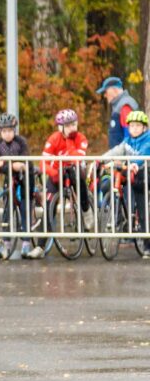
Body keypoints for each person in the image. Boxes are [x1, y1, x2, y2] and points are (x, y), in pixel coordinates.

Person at [100, 110, 150, 257]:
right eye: (131, 126)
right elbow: (116, 151)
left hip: (144, 174)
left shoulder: (147, 140)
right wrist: (100, 159)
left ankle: (148, 245)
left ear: (144, 127)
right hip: (129, 170)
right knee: (106, 184)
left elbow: (144, 154)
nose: (134, 128)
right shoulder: (128, 141)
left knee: (142, 208)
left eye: (137, 126)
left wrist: (134, 164)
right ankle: (119, 216)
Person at [0, 113, 41, 259]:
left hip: (26, 176)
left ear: (14, 130)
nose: (7, 134)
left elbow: (23, 161)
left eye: (10, 131)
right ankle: (6, 242)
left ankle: (26, 243)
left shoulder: (21, 141)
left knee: (24, 207)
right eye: (4, 131)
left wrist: (6, 164)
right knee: (7, 209)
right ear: (0, 131)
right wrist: (9, 165)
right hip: (10, 176)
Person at [41, 108, 93, 231]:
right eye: (68, 126)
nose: (72, 128)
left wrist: (69, 142)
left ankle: (86, 210)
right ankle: (41, 244)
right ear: (61, 128)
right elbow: (43, 163)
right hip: (58, 172)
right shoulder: (54, 138)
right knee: (49, 207)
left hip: (75, 169)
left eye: (74, 124)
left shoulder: (81, 138)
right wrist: (54, 173)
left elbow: (77, 158)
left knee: (79, 178)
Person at [98, 77, 140, 149]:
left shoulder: (125, 106)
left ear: (114, 90)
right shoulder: (120, 105)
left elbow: (130, 135)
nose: (105, 95)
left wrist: (123, 158)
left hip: (124, 157)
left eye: (106, 92)